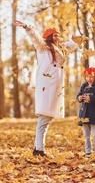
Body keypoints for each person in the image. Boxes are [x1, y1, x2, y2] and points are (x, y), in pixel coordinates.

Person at [14, 20, 77, 157]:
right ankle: (39, 149)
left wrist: (79, 38)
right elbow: (35, 37)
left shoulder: (60, 48)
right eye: (54, 35)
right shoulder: (43, 47)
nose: (57, 38)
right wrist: (27, 27)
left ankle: (38, 148)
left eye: (58, 36)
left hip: (54, 87)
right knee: (44, 118)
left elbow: (71, 44)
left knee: (46, 119)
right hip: (46, 86)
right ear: (48, 37)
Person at [77, 67, 95, 157]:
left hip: (94, 114)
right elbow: (79, 95)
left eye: (91, 77)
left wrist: (91, 98)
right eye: (87, 77)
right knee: (86, 135)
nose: (89, 79)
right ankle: (88, 152)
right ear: (85, 77)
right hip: (84, 113)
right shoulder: (84, 86)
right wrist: (79, 98)